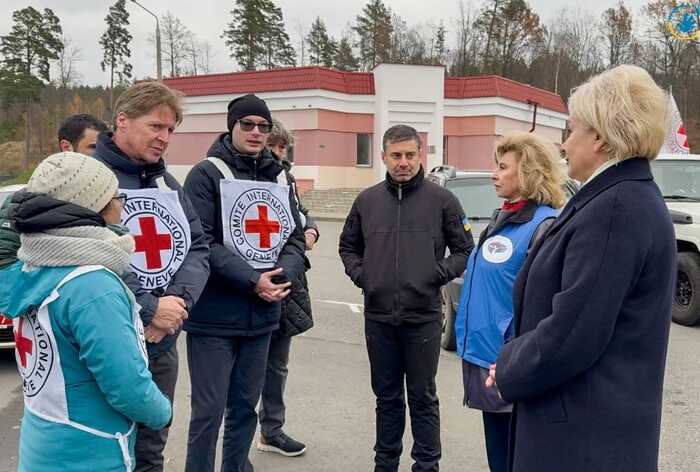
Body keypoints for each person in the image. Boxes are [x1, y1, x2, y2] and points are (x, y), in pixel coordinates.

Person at [487, 65, 676, 471]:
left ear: (602, 138)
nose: (564, 142)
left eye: (571, 129)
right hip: (588, 432)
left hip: (585, 442)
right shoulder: (614, 198)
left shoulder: (615, 209)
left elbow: (573, 333)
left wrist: (507, 367)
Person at [0, 152, 171, 471]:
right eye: (116, 197)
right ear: (95, 210)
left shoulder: (32, 267)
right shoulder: (93, 285)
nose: (122, 205)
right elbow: (127, 386)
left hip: (43, 446)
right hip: (92, 453)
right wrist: (163, 411)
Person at [339, 124, 474, 472]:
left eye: (410, 155)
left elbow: (464, 250)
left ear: (421, 156)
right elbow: (347, 247)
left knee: (423, 398)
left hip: (423, 318)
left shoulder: (442, 200)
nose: (403, 162)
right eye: (396, 155)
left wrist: (434, 274)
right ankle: (385, 465)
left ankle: (426, 465)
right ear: (383, 157)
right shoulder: (366, 201)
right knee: (387, 399)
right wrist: (364, 276)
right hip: (379, 318)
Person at [183, 94, 306, 472]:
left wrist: (279, 277)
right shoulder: (205, 173)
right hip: (214, 318)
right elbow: (200, 239)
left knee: (244, 411)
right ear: (231, 127)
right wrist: (253, 279)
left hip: (263, 316)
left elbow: (295, 238)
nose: (256, 132)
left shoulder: (280, 174)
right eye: (247, 124)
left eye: (263, 126)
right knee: (208, 413)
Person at [93, 81, 210, 472]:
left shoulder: (169, 184)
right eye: (156, 126)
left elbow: (197, 248)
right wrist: (148, 307)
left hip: (161, 342)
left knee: (150, 451)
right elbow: (85, 254)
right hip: (108, 340)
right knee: (105, 448)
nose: (165, 138)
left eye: (171, 130)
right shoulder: (91, 180)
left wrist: (176, 306)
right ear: (122, 121)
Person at [454, 132, 565, 472]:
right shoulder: (504, 217)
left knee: (514, 458)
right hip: (486, 357)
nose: (494, 174)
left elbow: (544, 305)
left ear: (528, 173)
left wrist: (516, 357)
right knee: (498, 455)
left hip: (510, 364)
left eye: (503, 167)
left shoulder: (543, 226)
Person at [256, 118, 318, 457]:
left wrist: (311, 231)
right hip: (251, 284)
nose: (279, 152)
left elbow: (303, 217)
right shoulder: (241, 179)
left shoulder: (287, 180)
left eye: (283, 147)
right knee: (248, 366)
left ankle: (272, 429)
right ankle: (238, 431)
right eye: (274, 146)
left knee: (277, 364)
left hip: (286, 282)